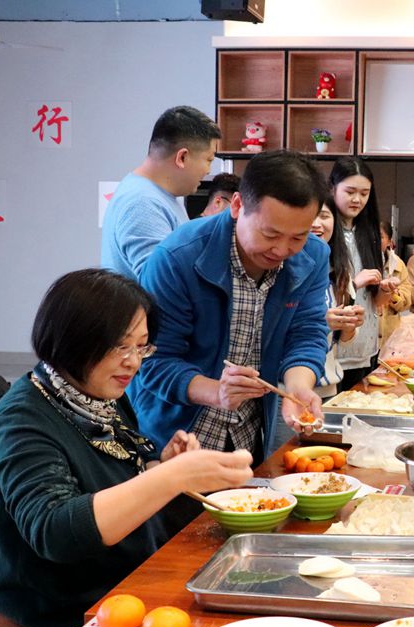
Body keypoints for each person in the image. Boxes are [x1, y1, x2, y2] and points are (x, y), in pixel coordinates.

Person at [0, 269, 252, 627]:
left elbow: (116, 478)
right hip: (49, 619)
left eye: (142, 347)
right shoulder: (21, 421)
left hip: (119, 594)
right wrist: (170, 477)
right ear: (72, 340)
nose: (134, 362)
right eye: (121, 347)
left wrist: (162, 467)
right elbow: (55, 531)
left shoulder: (97, 395)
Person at [129, 150, 329, 465]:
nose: (282, 249)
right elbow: (152, 360)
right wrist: (217, 391)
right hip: (174, 440)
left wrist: (298, 388)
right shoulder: (178, 257)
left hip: (247, 440)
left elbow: (307, 332)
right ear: (237, 205)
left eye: (298, 237)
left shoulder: (312, 257)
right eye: (270, 234)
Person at [101, 106, 221, 279]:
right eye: (208, 160)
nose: (208, 170)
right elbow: (160, 283)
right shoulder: (142, 203)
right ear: (182, 157)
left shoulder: (162, 195)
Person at [326, 157, 385, 391]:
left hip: (365, 348)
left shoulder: (368, 233)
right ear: (333, 188)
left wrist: (384, 290)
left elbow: (375, 302)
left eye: (364, 193)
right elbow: (318, 293)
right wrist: (354, 283)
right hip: (333, 351)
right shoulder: (323, 232)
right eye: (350, 192)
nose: (357, 200)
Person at [313, 202, 363, 398]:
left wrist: (349, 326)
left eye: (324, 216)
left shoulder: (341, 272)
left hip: (329, 387)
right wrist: (322, 322)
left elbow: (343, 342)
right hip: (285, 389)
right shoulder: (282, 267)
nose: (316, 224)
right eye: (310, 216)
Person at [378, 220, 412, 347]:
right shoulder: (357, 262)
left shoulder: (398, 265)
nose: (374, 240)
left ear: (389, 242)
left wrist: (393, 294)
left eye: (380, 237)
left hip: (389, 336)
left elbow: (406, 301)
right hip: (363, 336)